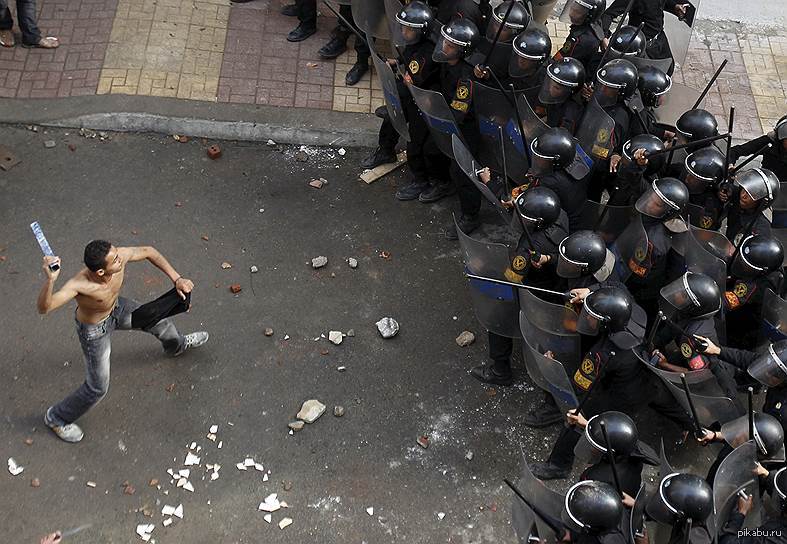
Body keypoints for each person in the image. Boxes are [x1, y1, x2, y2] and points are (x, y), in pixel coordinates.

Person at [37, 241, 209, 442]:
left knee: (161, 324)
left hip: (117, 309)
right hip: (94, 331)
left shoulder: (119, 256)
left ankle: (176, 346)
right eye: (116, 259)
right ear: (101, 272)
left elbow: (149, 251)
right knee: (97, 387)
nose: (121, 257)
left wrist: (177, 279)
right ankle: (56, 418)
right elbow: (44, 308)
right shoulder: (79, 285)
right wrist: (50, 280)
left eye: (117, 254)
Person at [729, 115, 787, 182]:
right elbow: (735, 151)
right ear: (780, 138)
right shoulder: (769, 142)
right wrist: (730, 165)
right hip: (763, 183)